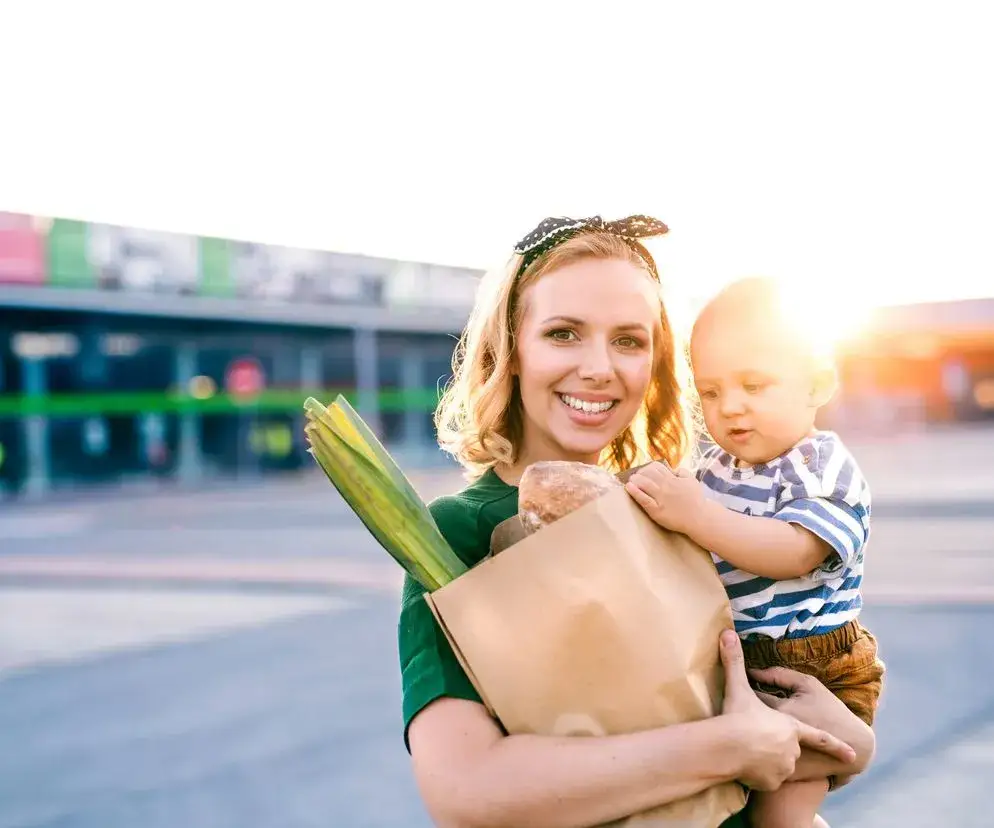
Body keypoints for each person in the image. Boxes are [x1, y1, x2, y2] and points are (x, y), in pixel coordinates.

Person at [398, 217, 876, 828]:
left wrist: (853, 746)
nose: (600, 367)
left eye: (629, 340)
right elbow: (466, 792)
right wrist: (729, 749)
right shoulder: (460, 531)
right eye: (564, 333)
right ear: (510, 350)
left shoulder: (671, 502)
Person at [625, 276, 885, 827]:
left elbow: (795, 551)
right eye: (712, 393)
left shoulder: (821, 465)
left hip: (813, 665)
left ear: (817, 384)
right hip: (736, 657)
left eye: (754, 385)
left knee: (779, 816)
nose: (731, 409)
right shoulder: (716, 468)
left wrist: (696, 513)